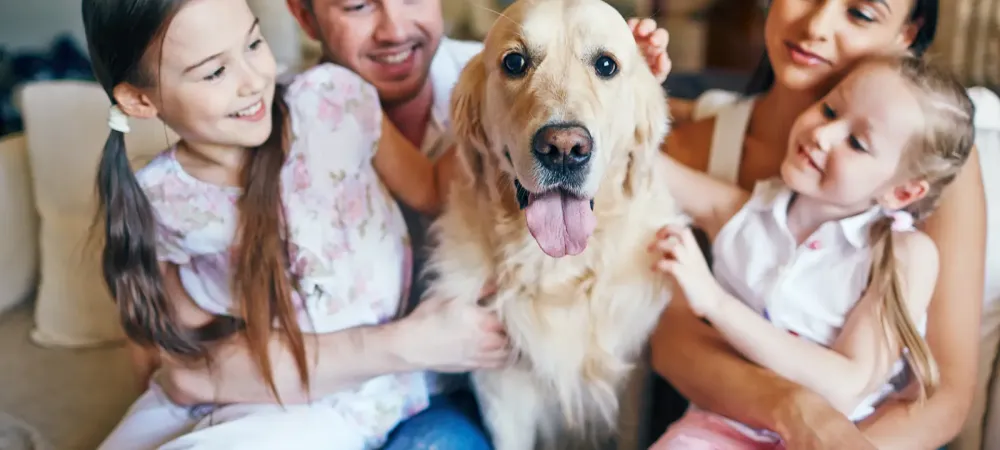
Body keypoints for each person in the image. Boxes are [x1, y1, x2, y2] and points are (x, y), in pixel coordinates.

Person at [150, 0, 673, 448]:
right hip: (377, 389)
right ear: (303, 16)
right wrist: (408, 344)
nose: (395, 28)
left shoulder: (487, 70)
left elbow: (664, 166)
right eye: (357, 4)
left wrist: (624, 78)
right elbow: (180, 363)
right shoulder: (281, 119)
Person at [82, 0, 499, 447]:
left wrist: (501, 108)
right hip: (255, 385)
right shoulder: (159, 197)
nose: (253, 80)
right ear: (140, 99)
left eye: (254, 44)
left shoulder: (332, 101)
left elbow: (434, 189)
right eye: (215, 72)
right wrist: (200, 302)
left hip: (347, 396)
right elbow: (167, 349)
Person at [651, 0, 994, 448]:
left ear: (909, 33)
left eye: (861, 13)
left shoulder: (927, 176)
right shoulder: (738, 187)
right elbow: (672, 343)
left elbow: (941, 394)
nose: (815, 25)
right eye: (830, 113)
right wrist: (627, 76)